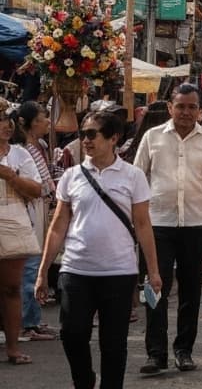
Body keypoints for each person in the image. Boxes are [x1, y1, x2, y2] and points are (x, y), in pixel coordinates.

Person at [35, 109, 162, 389]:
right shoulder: (71, 176)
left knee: (113, 342)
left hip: (119, 271)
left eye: (92, 134)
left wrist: (153, 270)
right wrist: (43, 271)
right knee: (72, 333)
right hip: (75, 269)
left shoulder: (132, 176)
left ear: (113, 138)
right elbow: (58, 226)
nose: (86, 140)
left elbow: (142, 224)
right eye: (83, 134)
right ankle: (84, 380)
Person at [132, 83, 202, 374]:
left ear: (200, 109)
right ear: (169, 106)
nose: (186, 112)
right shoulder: (152, 137)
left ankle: (184, 350)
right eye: (181, 106)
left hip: (196, 224)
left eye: (192, 107)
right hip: (157, 226)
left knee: (191, 291)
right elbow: (138, 180)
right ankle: (156, 353)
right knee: (155, 288)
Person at [0, 102, 43, 366]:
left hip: (13, 218)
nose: (6, 124)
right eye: (0, 120)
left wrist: (11, 177)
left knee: (12, 287)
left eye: (7, 119)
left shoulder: (19, 154)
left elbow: (37, 190)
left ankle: (13, 348)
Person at [12, 101, 57, 342]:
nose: (48, 121)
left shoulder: (36, 146)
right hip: (29, 210)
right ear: (30, 122)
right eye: (43, 116)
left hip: (39, 208)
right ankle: (28, 323)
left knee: (36, 265)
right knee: (30, 267)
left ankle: (33, 319)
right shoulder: (21, 150)